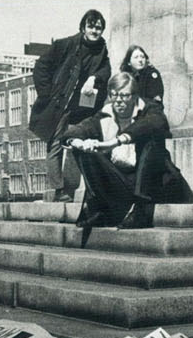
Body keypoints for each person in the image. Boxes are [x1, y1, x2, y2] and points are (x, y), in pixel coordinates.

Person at [63, 72, 171, 239]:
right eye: (114, 95)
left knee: (151, 140)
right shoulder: (105, 114)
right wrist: (79, 143)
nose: (119, 100)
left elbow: (156, 123)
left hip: (149, 183)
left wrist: (117, 141)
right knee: (85, 149)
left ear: (134, 96)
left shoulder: (150, 109)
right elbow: (76, 130)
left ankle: (140, 211)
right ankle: (99, 208)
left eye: (124, 95)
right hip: (120, 180)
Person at [30, 10, 112, 202]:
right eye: (91, 26)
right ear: (83, 27)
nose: (94, 31)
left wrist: (93, 78)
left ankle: (75, 187)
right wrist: (47, 94)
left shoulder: (101, 49)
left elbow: (106, 69)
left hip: (82, 107)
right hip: (60, 105)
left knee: (78, 142)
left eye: (98, 27)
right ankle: (59, 190)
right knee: (56, 144)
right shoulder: (66, 44)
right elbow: (41, 65)